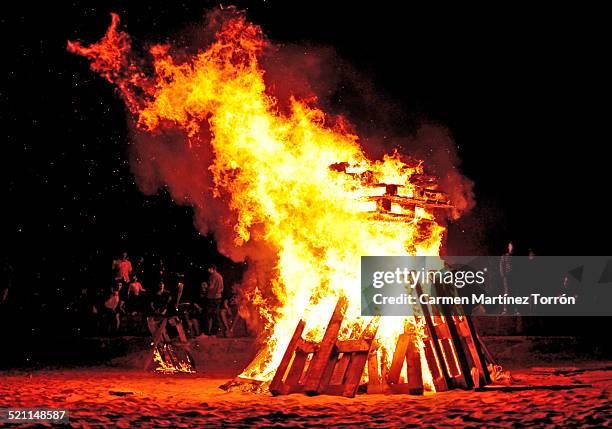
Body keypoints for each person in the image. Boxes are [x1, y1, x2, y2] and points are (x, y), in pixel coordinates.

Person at [205, 265, 224, 336]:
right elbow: (222, 288)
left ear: (213, 269)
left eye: (209, 269)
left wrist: (206, 287)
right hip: (218, 297)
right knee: (215, 315)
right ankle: (214, 332)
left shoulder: (213, 276)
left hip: (212, 298)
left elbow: (212, 287)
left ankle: (210, 332)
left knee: (210, 315)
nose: (208, 270)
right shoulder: (220, 276)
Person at [499, 241, 515, 315]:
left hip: (514, 277)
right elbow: (501, 266)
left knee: (514, 293)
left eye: (512, 246)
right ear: (508, 247)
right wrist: (504, 275)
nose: (512, 247)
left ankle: (515, 309)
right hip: (507, 277)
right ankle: (505, 309)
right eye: (510, 246)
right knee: (507, 293)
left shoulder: (515, 257)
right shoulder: (504, 256)